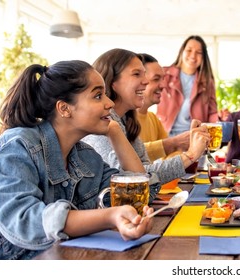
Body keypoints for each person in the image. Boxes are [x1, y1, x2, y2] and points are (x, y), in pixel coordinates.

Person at [0, 61, 156, 260]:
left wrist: (115, 132)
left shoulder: (85, 157)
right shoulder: (17, 146)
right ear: (64, 108)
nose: (110, 103)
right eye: (97, 95)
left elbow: (136, 191)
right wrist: (110, 216)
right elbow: (25, 221)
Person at [82, 48, 209, 196]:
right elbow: (131, 182)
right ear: (112, 81)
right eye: (137, 74)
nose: (145, 81)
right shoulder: (102, 123)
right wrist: (190, 155)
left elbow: (145, 175)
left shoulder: (126, 120)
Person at [157, 35, 218, 137]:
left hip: (194, 137)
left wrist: (220, 118)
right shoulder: (164, 74)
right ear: (182, 51)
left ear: (203, 57)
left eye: (198, 52)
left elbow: (212, 113)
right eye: (189, 50)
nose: (193, 56)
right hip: (166, 136)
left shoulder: (207, 82)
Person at [136, 53, 191, 161]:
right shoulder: (120, 119)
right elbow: (129, 155)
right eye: (156, 79)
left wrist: (192, 153)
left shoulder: (152, 118)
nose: (163, 85)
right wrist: (174, 143)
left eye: (163, 79)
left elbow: (170, 155)